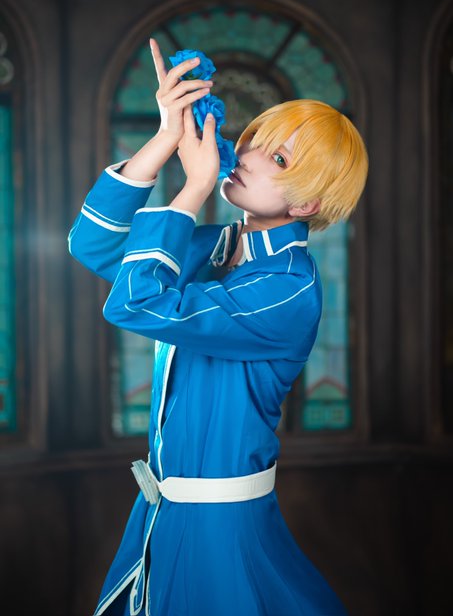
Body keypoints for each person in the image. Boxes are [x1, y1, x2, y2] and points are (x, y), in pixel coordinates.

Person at [67, 38, 368, 616]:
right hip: (161, 515)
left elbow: (135, 303)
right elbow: (93, 245)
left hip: (220, 530)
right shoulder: (221, 247)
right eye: (254, 140)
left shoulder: (287, 289)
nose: (247, 156)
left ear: (307, 205)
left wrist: (195, 187)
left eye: (279, 161)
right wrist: (166, 137)